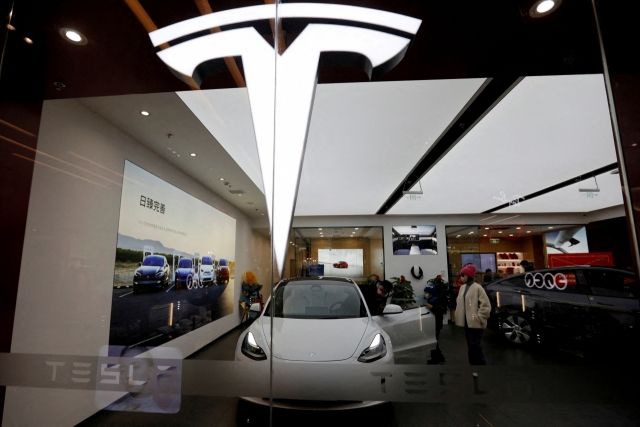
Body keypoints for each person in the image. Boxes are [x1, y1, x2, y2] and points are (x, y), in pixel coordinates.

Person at [454, 264, 491, 365]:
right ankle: (473, 366)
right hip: (466, 322)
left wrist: (479, 317)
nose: (461, 277)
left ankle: (481, 365)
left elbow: (486, 305)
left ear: (469, 275)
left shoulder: (478, 287)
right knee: (471, 346)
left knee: (475, 346)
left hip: (476, 323)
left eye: (463, 275)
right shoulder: (462, 287)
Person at [424, 274, 448, 364]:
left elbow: (441, 310)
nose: (426, 294)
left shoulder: (439, 299)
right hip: (432, 323)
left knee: (433, 340)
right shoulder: (432, 299)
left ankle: (437, 358)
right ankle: (439, 357)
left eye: (428, 293)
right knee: (434, 340)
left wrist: (432, 307)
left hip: (436, 323)